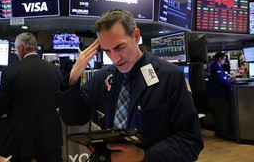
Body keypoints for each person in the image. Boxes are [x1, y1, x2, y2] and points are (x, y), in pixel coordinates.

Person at [59, 9, 204, 162]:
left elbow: (190, 141)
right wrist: (73, 78)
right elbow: (73, 118)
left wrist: (144, 155)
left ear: (135, 36)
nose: (115, 58)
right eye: (107, 51)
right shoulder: (102, 77)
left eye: (119, 47)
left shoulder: (170, 76)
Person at [0, 32, 63, 162]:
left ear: (21, 48)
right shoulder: (55, 70)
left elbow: (0, 106)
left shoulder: (10, 71)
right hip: (51, 139)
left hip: (21, 141)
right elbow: (58, 101)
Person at [207, 52, 236, 140]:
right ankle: (224, 133)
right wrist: (231, 81)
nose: (224, 61)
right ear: (220, 58)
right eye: (224, 59)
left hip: (215, 95)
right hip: (219, 95)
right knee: (224, 114)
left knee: (218, 114)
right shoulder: (216, 66)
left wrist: (227, 78)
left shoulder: (215, 65)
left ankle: (219, 131)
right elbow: (221, 81)